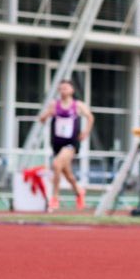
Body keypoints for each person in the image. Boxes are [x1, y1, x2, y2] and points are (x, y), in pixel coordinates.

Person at [38, 79, 93, 211]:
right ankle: (79, 192)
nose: (63, 91)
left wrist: (85, 132)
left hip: (71, 143)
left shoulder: (77, 105)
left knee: (56, 164)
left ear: (72, 90)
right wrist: (47, 115)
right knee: (67, 174)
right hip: (57, 143)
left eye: (66, 88)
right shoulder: (54, 105)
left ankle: (55, 198)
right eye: (61, 88)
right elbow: (42, 118)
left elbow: (90, 117)